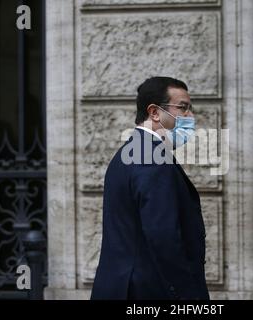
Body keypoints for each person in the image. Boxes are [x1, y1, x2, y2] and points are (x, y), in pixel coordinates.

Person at [90, 76, 210, 300]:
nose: (190, 117)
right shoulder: (151, 158)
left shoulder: (130, 152)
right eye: (183, 108)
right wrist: (188, 295)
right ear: (154, 113)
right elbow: (163, 236)